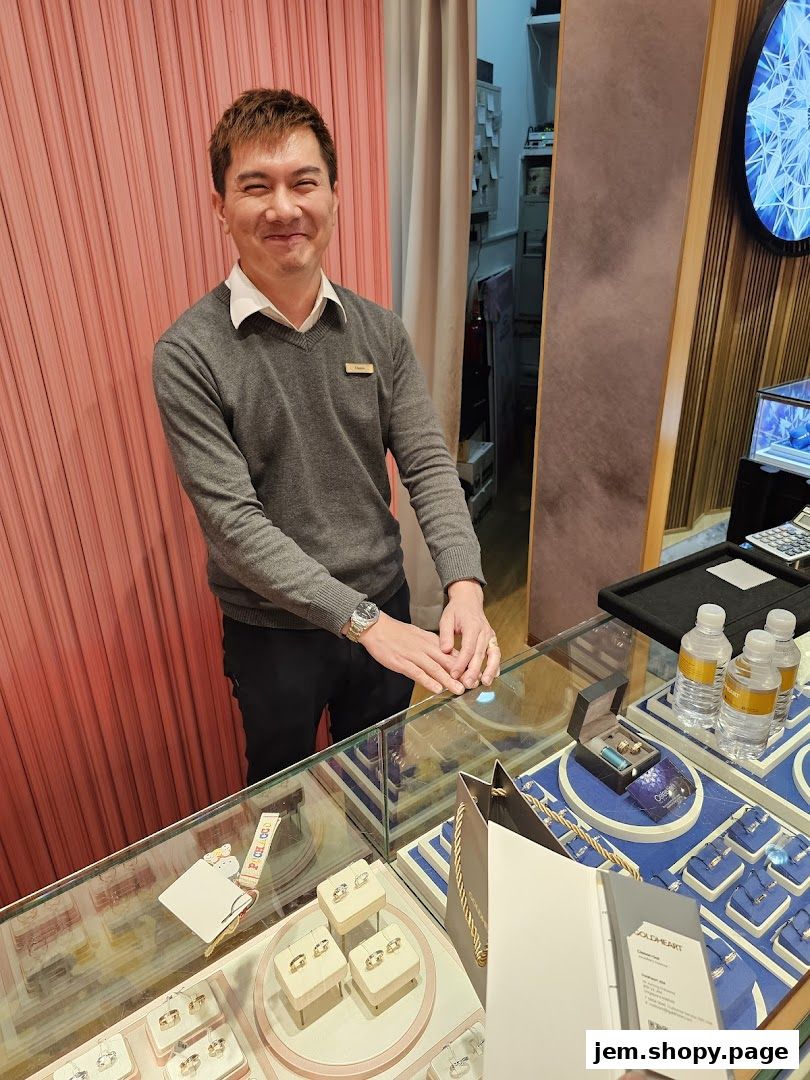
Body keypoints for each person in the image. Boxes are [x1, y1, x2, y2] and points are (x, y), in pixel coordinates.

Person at [153, 88, 499, 784]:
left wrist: (464, 587)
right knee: (280, 799)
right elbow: (234, 525)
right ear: (219, 207)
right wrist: (363, 621)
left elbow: (429, 465)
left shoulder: (379, 330)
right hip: (273, 631)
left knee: (382, 780)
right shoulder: (188, 353)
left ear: (334, 195)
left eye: (303, 182)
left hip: (386, 603)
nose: (284, 208)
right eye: (256, 187)